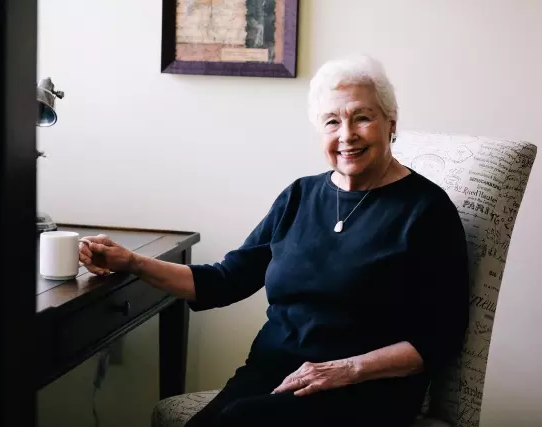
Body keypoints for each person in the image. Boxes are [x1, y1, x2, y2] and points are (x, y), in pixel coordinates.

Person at [78, 54, 470, 427]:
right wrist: (131, 261)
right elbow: (226, 279)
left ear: (391, 123)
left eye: (362, 118)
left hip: (363, 386)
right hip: (271, 369)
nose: (347, 135)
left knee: (241, 422)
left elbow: (441, 337)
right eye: (332, 122)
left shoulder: (426, 211)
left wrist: (346, 369)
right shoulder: (299, 196)